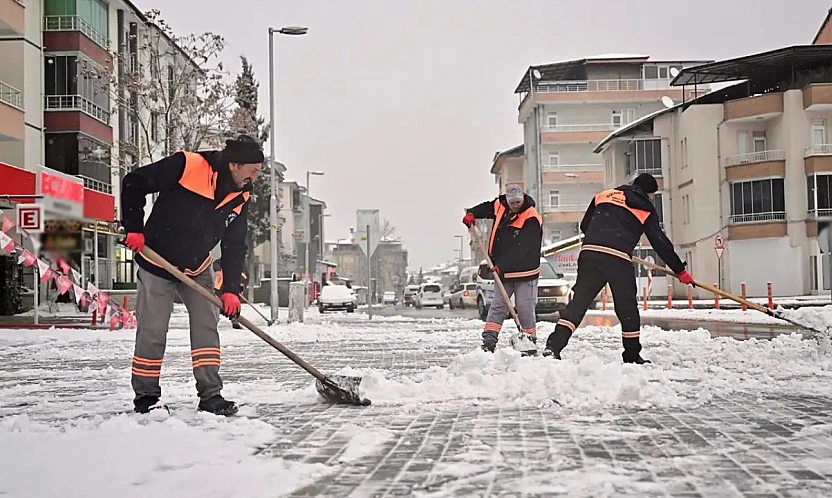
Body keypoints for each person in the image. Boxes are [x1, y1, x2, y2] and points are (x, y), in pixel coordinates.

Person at [120, 134, 263, 416]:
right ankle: (147, 396)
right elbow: (133, 182)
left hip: (198, 266)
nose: (255, 177)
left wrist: (231, 288)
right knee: (152, 331)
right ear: (235, 165)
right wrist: (134, 227)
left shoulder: (239, 197)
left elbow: (235, 245)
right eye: (253, 170)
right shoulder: (188, 165)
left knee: (206, 328)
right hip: (157, 261)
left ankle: (211, 395)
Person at [543, 173, 694, 364]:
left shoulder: (604, 195)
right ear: (649, 193)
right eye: (653, 195)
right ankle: (631, 355)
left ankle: (553, 347)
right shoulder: (645, 208)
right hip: (617, 259)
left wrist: (602, 236)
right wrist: (680, 270)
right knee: (627, 307)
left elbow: (585, 225)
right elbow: (660, 242)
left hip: (590, 254)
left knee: (579, 303)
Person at [462, 184, 543, 353]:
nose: (514, 205)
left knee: (524, 308)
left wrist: (501, 265)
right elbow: (487, 207)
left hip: (525, 272)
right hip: (504, 272)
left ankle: (529, 341)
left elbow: (523, 247)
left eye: (517, 202)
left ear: (523, 198)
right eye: (511, 202)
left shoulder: (531, 217)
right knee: (498, 306)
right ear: (507, 200)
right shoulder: (501, 205)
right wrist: (472, 213)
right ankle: (489, 340)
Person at [213, 258, 249, 329]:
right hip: (222, 287)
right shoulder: (224, 260)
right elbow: (215, 264)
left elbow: (246, 277)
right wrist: (218, 270)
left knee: (235, 304)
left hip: (235, 288)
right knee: (217, 304)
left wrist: (242, 285)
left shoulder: (242, 264)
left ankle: (235, 320)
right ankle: (214, 320)